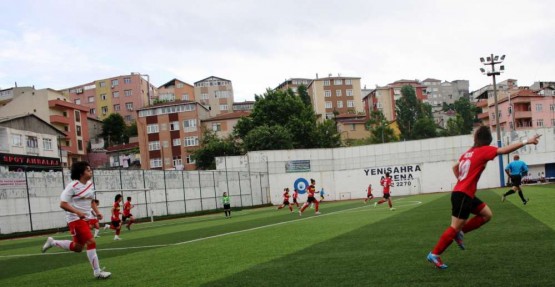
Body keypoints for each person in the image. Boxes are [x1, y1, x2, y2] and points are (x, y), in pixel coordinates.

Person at [427, 127, 541, 269]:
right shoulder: (484, 150)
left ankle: (460, 234)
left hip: (463, 193)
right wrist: (527, 141)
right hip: (463, 194)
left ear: (476, 138)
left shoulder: (467, 153)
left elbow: (454, 167)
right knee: (454, 227)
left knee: (487, 214)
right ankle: (435, 254)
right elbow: (504, 150)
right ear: (488, 141)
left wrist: (462, 181)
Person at [41, 161, 111, 279]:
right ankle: (97, 272)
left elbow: (91, 201)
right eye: (88, 170)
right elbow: (63, 204)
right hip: (75, 219)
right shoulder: (72, 186)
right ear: (81, 173)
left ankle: (52, 242)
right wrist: (77, 212)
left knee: (78, 247)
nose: (90, 171)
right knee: (91, 242)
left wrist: (97, 212)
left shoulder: (90, 184)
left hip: (86, 218)